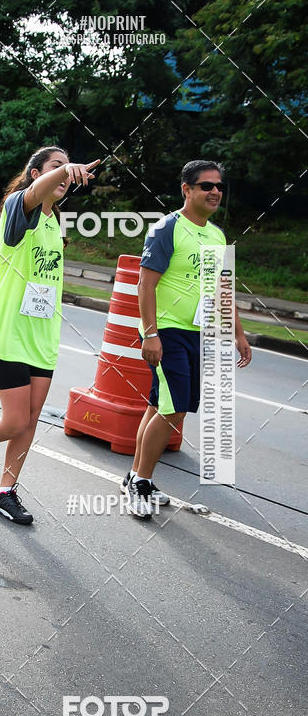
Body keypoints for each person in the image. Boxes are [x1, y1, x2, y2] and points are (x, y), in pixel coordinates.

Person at [0, 147, 100, 525]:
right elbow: (32, 194)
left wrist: (60, 174)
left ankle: (4, 491)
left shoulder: (55, 221)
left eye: (67, 168)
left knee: (30, 419)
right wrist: (65, 171)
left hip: (42, 336)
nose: (64, 175)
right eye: (55, 168)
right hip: (10, 331)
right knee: (13, 421)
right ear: (35, 173)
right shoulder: (17, 209)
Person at [122, 160, 252, 518]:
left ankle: (135, 475)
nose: (215, 192)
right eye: (206, 185)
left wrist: (238, 332)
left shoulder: (217, 235)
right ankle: (140, 484)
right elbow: (145, 284)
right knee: (175, 405)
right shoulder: (167, 228)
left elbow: (222, 287)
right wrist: (150, 334)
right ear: (187, 189)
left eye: (219, 186)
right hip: (165, 329)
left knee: (159, 405)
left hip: (198, 331)